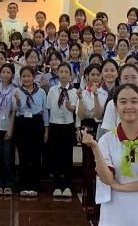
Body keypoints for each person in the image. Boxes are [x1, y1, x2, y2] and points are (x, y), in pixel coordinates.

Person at [82, 83, 138, 226]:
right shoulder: (107, 140)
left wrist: (122, 188)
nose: (129, 106)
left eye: (134, 101)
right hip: (114, 212)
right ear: (115, 107)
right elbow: (107, 179)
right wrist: (95, 148)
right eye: (123, 102)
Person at [47, 63, 80, 196]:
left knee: (67, 156)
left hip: (68, 125)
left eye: (66, 72)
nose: (64, 74)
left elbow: (76, 111)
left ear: (71, 75)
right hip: (54, 125)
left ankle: (67, 186)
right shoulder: (52, 90)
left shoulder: (74, 91)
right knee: (55, 156)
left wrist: (70, 107)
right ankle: (57, 186)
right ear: (57, 74)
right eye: (61, 72)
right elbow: (48, 109)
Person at [14, 66, 48, 196]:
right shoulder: (17, 91)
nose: (26, 78)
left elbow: (45, 112)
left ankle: (34, 185)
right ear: (20, 78)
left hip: (36, 123)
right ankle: (24, 185)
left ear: (33, 77)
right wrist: (18, 101)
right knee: (23, 155)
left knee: (35, 156)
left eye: (29, 76)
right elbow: (15, 109)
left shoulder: (41, 92)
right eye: (24, 76)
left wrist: (46, 130)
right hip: (22, 123)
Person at [0, 62, 20, 195]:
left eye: (8, 72)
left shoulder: (15, 90)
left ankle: (9, 184)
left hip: (7, 125)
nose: (5, 75)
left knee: (8, 156)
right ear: (0, 74)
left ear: (12, 75)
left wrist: (11, 129)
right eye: (3, 72)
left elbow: (14, 111)